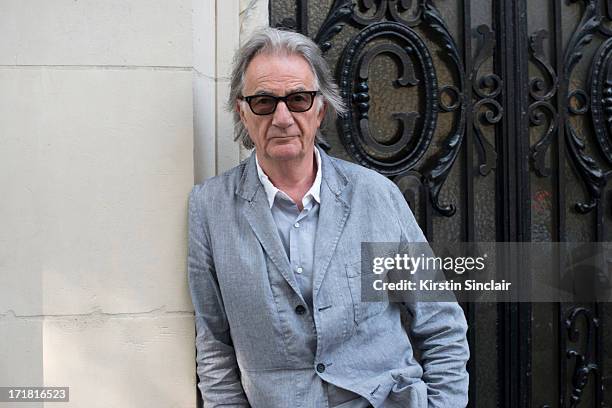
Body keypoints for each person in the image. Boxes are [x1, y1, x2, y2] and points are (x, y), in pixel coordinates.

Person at [188, 27, 469, 408]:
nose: (283, 117)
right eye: (264, 102)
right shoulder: (210, 207)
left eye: (299, 99)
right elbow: (215, 346)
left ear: (320, 108)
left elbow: (440, 323)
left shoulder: (374, 195)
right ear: (243, 111)